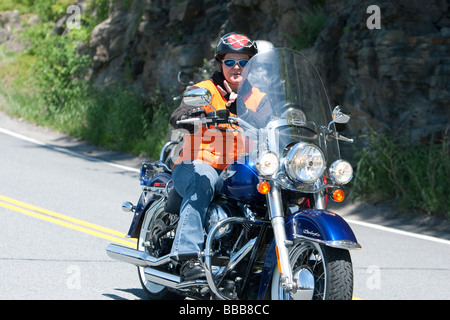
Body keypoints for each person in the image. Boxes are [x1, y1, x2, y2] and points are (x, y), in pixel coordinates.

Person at [168, 33, 270, 280]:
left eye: (244, 62)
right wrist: (193, 115)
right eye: (230, 62)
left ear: (251, 65)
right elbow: (179, 114)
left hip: (238, 168)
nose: (237, 67)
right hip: (196, 163)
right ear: (220, 63)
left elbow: (272, 124)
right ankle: (188, 257)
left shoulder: (258, 98)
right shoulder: (203, 90)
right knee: (203, 179)